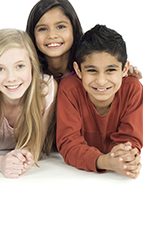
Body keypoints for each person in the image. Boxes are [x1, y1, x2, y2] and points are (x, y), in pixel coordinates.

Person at [0, 29, 57, 178]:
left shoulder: (47, 89)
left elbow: (35, 146)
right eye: (0, 69)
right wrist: (0, 162)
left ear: (32, 65)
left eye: (20, 66)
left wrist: (24, 158)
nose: (11, 78)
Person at [56, 24, 142, 178]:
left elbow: (131, 139)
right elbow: (69, 144)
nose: (101, 81)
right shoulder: (69, 90)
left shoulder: (133, 89)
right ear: (78, 70)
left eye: (110, 70)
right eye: (92, 70)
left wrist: (127, 158)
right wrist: (105, 161)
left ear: (124, 69)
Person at [26, 0, 141, 82]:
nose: (52, 35)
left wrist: (119, 70)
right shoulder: (27, 72)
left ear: (73, 28)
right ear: (32, 34)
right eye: (42, 29)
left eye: (60, 27)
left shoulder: (88, 67)